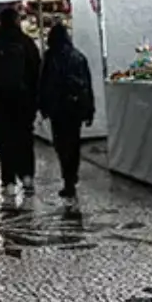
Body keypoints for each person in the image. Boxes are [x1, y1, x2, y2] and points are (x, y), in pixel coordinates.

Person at [0, 7, 41, 201]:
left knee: (4, 141)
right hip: (23, 102)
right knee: (25, 138)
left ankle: (9, 181)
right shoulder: (27, 43)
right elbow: (37, 71)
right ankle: (27, 175)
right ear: (16, 21)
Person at [38, 22, 95, 202]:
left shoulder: (49, 57)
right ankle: (72, 174)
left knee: (61, 144)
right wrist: (89, 109)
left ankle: (68, 177)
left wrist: (43, 106)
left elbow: (43, 83)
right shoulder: (79, 57)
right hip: (74, 107)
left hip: (57, 108)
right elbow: (87, 85)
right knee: (74, 142)